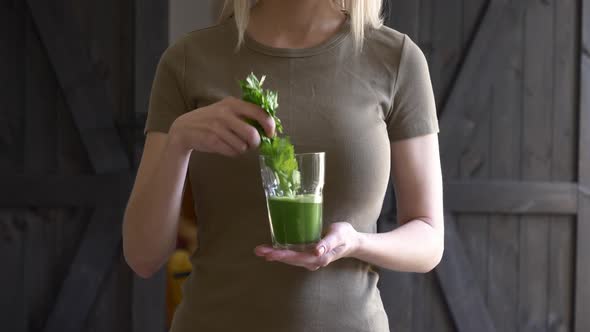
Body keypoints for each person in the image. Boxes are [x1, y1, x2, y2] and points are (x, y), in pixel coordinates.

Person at [122, 0, 444, 331]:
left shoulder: (396, 59)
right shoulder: (187, 59)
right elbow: (143, 257)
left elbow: (429, 239)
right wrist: (178, 143)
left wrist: (357, 242)